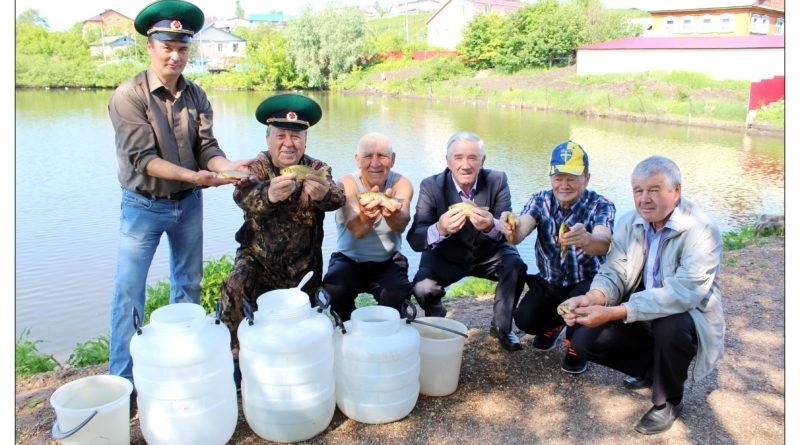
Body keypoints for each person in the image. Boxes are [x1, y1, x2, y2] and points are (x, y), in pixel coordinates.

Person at [107, 0, 251, 383]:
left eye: (182, 49)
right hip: (142, 206)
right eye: (167, 47)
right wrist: (196, 177)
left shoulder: (196, 95)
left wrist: (227, 169)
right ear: (149, 46)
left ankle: (180, 368)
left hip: (188, 206)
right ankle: (122, 380)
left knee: (188, 284)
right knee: (128, 291)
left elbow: (207, 147)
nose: (175, 56)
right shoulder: (129, 95)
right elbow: (144, 159)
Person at [559, 156, 724, 435]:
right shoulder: (629, 222)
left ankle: (668, 400)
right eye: (638, 190)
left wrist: (615, 312)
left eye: (654, 190)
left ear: (676, 191)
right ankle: (653, 372)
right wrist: (594, 297)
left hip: (686, 316)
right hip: (641, 308)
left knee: (671, 325)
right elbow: (615, 271)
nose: (644, 199)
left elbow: (682, 294)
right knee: (584, 340)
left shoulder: (702, 230)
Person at [219, 93, 345, 362]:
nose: (289, 143)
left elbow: (338, 197)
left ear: (305, 140)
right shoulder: (257, 167)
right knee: (234, 284)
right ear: (268, 139)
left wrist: (323, 194)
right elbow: (241, 196)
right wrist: (268, 195)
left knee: (304, 340)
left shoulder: (317, 167)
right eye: (281, 136)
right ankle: (235, 356)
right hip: (258, 264)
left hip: (304, 269)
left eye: (296, 136)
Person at [500, 141, 615, 374]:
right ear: (551, 177)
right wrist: (510, 229)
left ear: (587, 178)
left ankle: (576, 346)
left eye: (572, 178)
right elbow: (520, 232)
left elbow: (603, 243)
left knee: (583, 320)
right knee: (524, 319)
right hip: (550, 282)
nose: (564, 185)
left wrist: (587, 240)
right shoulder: (540, 200)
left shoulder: (601, 205)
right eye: (558, 177)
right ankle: (554, 325)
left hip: (587, 283)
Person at [407, 131, 527, 351]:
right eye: (458, 157)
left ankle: (502, 328)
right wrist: (440, 229)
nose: (465, 165)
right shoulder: (431, 186)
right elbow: (415, 238)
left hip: (489, 253)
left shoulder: (498, 180)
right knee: (423, 287)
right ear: (448, 161)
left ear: (483, 160)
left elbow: (506, 228)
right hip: (446, 256)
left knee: (516, 266)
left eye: (472, 157)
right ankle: (437, 314)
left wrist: (491, 225)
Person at [321, 132, 414, 321]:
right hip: (349, 259)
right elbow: (358, 230)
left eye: (382, 156)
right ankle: (348, 326)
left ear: (393, 159)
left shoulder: (401, 183)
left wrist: (392, 213)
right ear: (357, 160)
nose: (375, 163)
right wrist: (367, 216)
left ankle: (389, 328)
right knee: (333, 289)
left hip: (388, 261)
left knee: (397, 293)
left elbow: (401, 224)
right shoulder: (346, 183)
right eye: (368, 156)